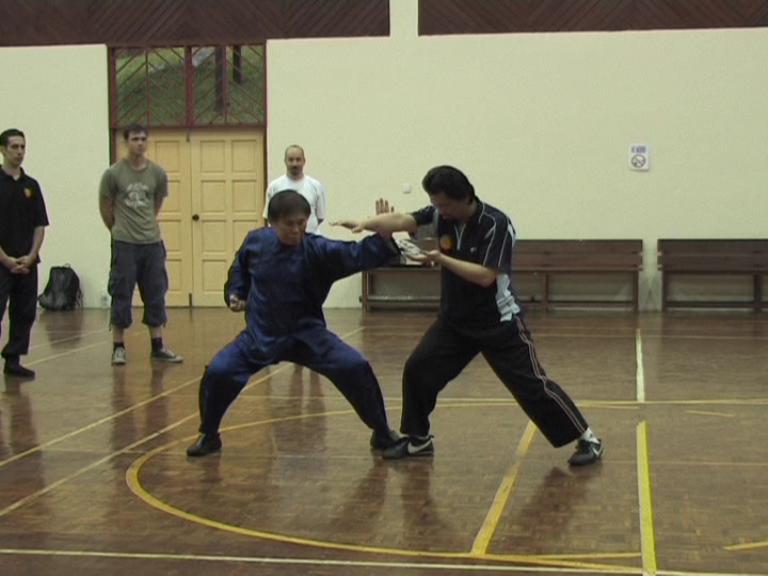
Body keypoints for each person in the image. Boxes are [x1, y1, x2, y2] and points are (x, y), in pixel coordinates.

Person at [337, 166, 604, 466]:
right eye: (436, 204)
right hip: (455, 322)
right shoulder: (440, 214)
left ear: (465, 198)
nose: (439, 211)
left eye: (445, 205)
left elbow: (486, 277)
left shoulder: (496, 224)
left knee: (532, 386)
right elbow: (403, 220)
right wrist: (365, 223)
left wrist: (440, 259)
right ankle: (418, 438)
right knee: (418, 369)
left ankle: (587, 438)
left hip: (498, 323)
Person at [187, 190, 399, 457]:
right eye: (290, 224)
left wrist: (383, 236)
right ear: (272, 223)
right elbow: (239, 269)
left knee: (354, 366)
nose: (297, 230)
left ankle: (381, 432)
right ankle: (209, 434)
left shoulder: (318, 250)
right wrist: (235, 293)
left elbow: (357, 254)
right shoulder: (256, 242)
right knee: (219, 371)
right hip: (261, 335)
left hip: (307, 335)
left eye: (302, 223)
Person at [98, 124, 182, 366]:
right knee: (121, 291)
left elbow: (156, 204)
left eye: (143, 139)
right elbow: (105, 205)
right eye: (135, 139)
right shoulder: (113, 174)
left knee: (155, 292)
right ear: (126, 142)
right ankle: (118, 346)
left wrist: (146, 226)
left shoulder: (157, 173)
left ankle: (157, 345)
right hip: (125, 243)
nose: (140, 143)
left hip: (151, 243)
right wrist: (116, 229)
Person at [0, 129, 49, 379]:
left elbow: (40, 225)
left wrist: (31, 255)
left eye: (22, 147)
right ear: (3, 150)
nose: (19, 152)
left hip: (27, 261)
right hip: (1, 262)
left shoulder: (32, 186)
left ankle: (13, 359)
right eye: (14, 147)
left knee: (25, 311)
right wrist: (6, 260)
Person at [263, 145, 327, 233]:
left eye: (298, 160)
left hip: (310, 240)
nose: (294, 164)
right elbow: (269, 217)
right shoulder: (274, 186)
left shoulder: (316, 186)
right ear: (285, 161)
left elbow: (320, 217)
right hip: (282, 242)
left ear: (304, 161)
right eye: (291, 160)